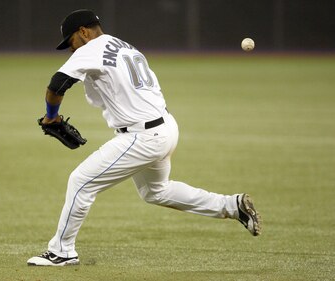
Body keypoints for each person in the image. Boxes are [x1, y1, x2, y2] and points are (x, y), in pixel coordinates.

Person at [27, 9, 262, 266]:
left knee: (81, 182)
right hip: (166, 127)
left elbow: (57, 84)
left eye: (70, 43)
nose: (71, 51)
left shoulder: (90, 48)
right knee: (156, 191)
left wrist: (51, 116)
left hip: (143, 136)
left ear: (83, 32)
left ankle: (62, 252)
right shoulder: (126, 47)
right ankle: (232, 205)